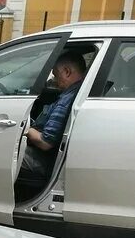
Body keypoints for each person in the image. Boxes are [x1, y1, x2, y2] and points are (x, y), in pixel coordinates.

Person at [20, 51, 87, 180]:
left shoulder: (67, 100)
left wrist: (24, 127)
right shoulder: (72, 93)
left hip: (44, 161)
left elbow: (45, 142)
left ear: (67, 72)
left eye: (56, 75)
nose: (54, 80)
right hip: (48, 157)